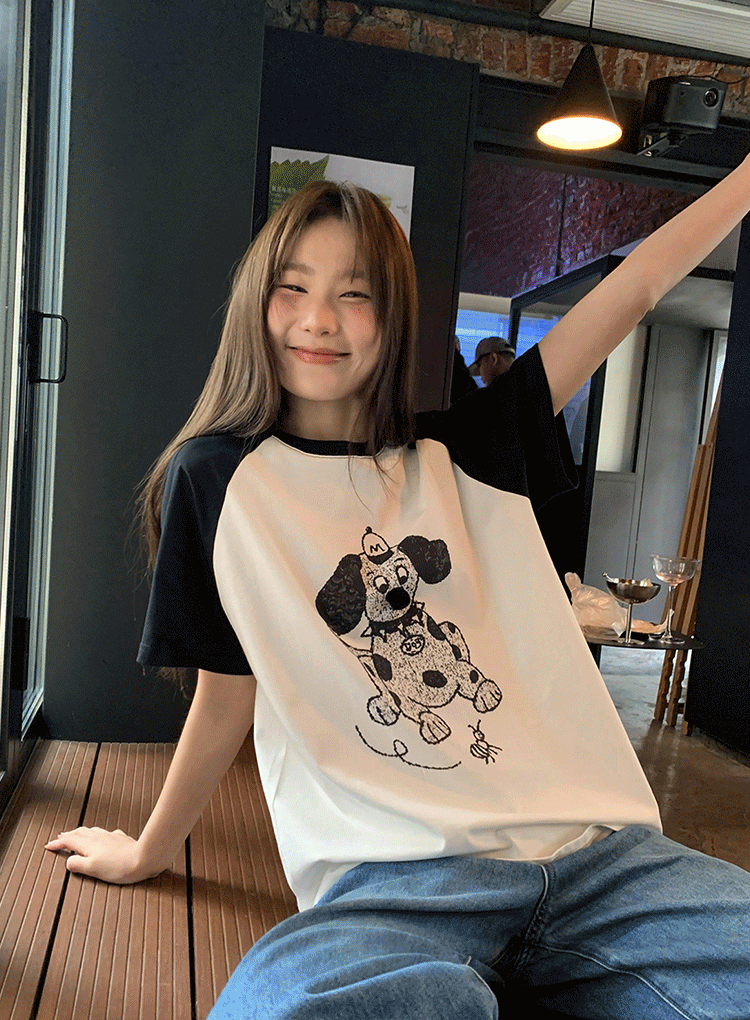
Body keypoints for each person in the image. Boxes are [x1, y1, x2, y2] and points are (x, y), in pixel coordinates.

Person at [43, 166, 750, 1018]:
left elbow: (637, 285)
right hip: (395, 886)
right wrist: (149, 851)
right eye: (292, 287)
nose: (317, 319)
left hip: (604, 865)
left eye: (356, 294)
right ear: (255, 302)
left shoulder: (470, 452)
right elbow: (227, 691)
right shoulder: (217, 479)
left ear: (394, 318)